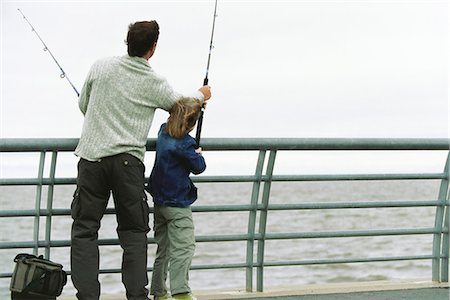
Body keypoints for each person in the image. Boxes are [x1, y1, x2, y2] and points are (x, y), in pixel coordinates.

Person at [70, 21, 211, 300]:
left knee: (85, 230)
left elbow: (84, 105)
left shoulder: (100, 66)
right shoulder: (153, 82)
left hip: (91, 159)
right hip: (127, 164)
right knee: (134, 232)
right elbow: (182, 106)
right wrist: (201, 94)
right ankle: (136, 296)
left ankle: (87, 296)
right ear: (153, 48)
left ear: (127, 42)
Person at [145, 97, 206, 300]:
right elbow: (199, 167)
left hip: (159, 201)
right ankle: (181, 292)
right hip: (178, 203)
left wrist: (196, 105)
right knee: (184, 247)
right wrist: (198, 152)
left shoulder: (163, 131)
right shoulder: (185, 144)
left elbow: (180, 115)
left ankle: (159, 292)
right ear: (191, 123)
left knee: (164, 247)